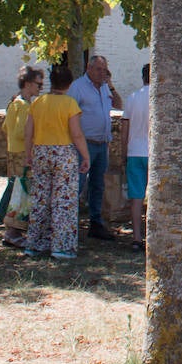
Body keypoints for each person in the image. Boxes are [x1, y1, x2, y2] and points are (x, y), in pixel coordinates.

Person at [23, 64, 91, 260]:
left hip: (41, 151)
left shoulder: (37, 103)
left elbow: (28, 132)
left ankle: (35, 244)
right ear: (69, 84)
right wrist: (85, 156)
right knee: (64, 201)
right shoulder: (70, 104)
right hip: (63, 153)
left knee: (40, 199)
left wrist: (29, 153)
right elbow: (76, 134)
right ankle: (61, 246)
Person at [67, 54, 122, 241]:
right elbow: (69, 114)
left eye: (104, 70)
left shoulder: (105, 87)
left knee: (98, 185)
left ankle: (95, 223)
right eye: (98, 69)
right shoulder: (78, 87)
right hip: (84, 144)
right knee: (78, 183)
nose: (102, 73)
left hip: (102, 144)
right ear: (89, 69)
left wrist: (111, 84)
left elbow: (119, 105)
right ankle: (69, 224)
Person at [0, 66, 41, 248]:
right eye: (38, 84)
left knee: (17, 190)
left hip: (14, 152)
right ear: (29, 84)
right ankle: (12, 231)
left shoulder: (15, 102)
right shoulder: (23, 106)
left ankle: (13, 230)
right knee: (21, 193)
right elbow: (19, 131)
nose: (40, 88)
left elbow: (5, 128)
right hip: (22, 154)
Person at [120, 64, 150, 252]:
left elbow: (125, 130)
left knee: (136, 197)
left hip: (134, 151)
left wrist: (124, 152)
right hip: (154, 153)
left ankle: (137, 237)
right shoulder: (160, 99)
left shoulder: (132, 98)